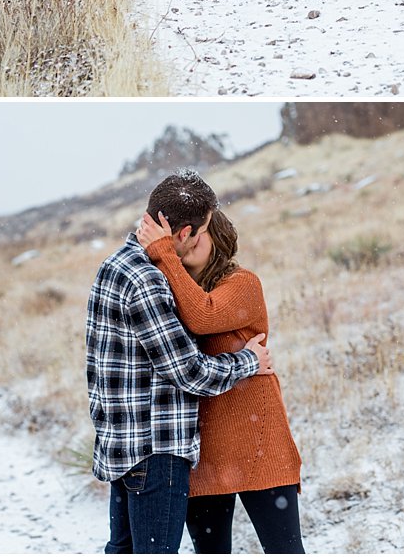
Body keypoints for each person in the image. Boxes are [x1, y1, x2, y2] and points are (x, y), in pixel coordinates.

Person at [86, 171, 275, 554]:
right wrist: (249, 361)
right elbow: (189, 373)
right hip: (155, 450)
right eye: (204, 228)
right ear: (185, 232)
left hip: (121, 443)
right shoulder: (148, 280)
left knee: (122, 551)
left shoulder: (115, 264)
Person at [136, 207, 304, 554]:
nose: (191, 238)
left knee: (284, 550)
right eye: (184, 234)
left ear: (220, 235)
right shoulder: (170, 290)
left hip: (259, 444)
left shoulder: (243, 282)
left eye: (199, 230)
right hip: (202, 449)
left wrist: (163, 251)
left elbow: (204, 314)